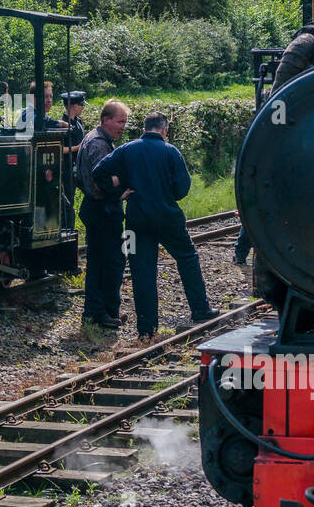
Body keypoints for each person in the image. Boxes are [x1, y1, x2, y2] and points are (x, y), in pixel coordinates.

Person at [93, 111, 215, 341]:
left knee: (142, 272)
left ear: (144, 128)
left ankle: (146, 329)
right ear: (164, 130)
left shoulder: (127, 149)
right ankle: (200, 309)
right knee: (187, 257)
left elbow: (98, 171)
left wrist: (119, 191)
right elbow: (182, 188)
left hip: (136, 218)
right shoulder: (170, 151)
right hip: (167, 216)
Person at [76, 99, 129, 331]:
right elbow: (103, 180)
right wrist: (121, 187)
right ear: (106, 120)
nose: (123, 126)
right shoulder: (99, 144)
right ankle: (103, 312)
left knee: (99, 261)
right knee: (110, 261)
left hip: (96, 208)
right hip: (103, 209)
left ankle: (100, 310)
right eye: (120, 121)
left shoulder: (94, 138)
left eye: (125, 122)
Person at [60, 91, 86, 229]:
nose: (83, 108)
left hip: (78, 166)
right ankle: (67, 229)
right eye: (81, 105)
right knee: (68, 201)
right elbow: (60, 148)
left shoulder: (78, 121)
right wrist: (79, 147)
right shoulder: (63, 124)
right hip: (67, 167)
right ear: (74, 106)